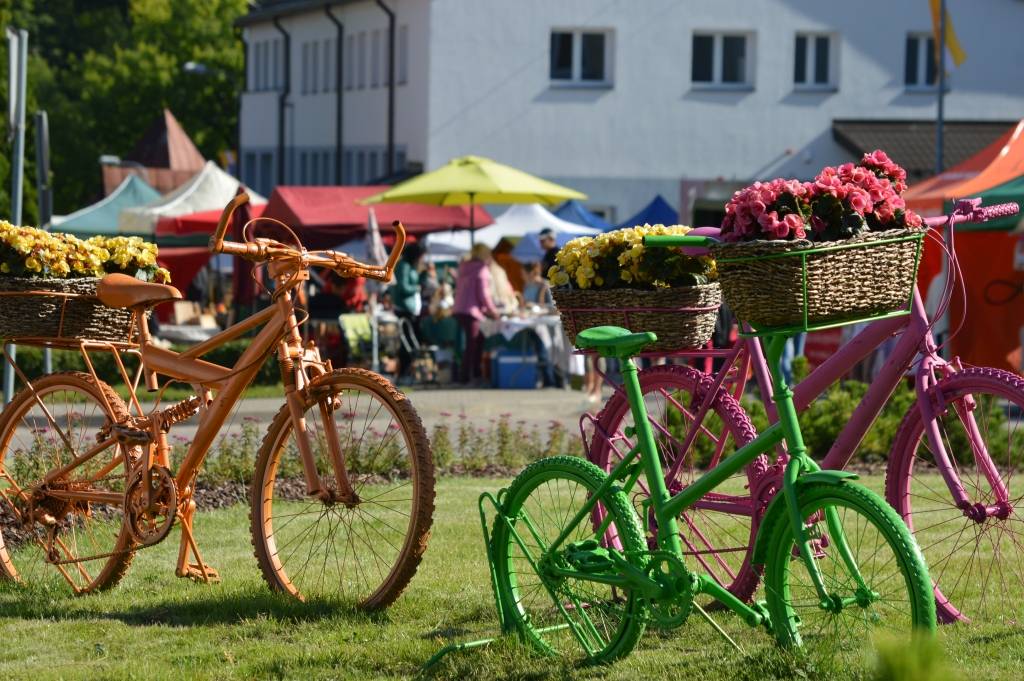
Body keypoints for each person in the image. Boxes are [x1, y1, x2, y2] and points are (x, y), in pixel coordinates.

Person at [453, 243, 500, 385]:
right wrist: (493, 311)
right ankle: (468, 376)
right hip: (471, 311)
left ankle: (473, 373)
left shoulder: (464, 266)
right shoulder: (482, 269)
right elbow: (484, 295)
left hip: (460, 309)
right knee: (473, 344)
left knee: (476, 341)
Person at [392, 242, 425, 382]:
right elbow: (403, 287)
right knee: (407, 343)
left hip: (411, 309)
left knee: (410, 342)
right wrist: (417, 288)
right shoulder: (404, 266)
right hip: (404, 309)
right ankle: (403, 373)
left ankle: (406, 373)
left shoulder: (409, 266)